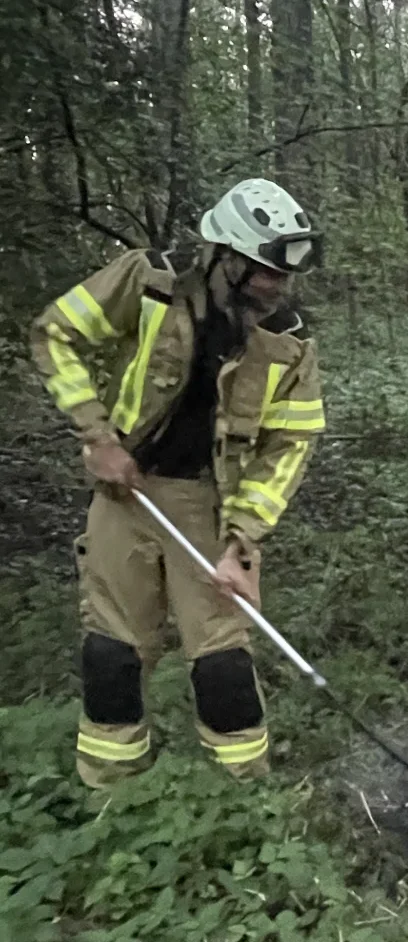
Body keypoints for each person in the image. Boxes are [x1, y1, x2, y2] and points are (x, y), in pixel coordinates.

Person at [29, 178, 326, 788]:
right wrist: (98, 437)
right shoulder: (148, 285)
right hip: (126, 491)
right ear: (225, 257)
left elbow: (290, 445)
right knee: (113, 651)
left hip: (209, 505)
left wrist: (243, 543)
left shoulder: (288, 344)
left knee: (223, 663)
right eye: (266, 270)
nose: (278, 286)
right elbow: (55, 334)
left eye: (284, 273)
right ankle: (109, 790)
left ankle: (247, 797)